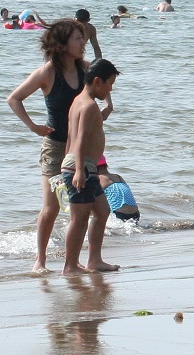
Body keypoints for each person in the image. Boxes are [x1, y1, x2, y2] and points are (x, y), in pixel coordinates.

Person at [7, 21, 98, 273]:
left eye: (84, 38)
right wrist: (33, 126)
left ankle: (73, 261)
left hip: (81, 149)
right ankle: (40, 260)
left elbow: (103, 85)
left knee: (81, 206)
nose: (83, 43)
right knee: (52, 206)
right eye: (78, 39)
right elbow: (14, 99)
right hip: (56, 148)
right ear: (61, 45)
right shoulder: (47, 73)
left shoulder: (86, 70)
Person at [60, 59, 121, 275]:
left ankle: (94, 260)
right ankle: (70, 265)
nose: (111, 88)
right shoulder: (88, 106)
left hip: (85, 167)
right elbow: (81, 139)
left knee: (102, 211)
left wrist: (109, 108)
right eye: (110, 84)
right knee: (79, 219)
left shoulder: (79, 101)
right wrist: (77, 170)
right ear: (97, 81)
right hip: (81, 168)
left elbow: (73, 134)